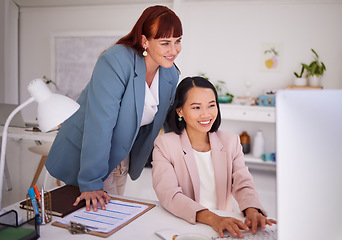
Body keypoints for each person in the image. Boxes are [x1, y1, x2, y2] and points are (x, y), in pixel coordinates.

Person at [45, 5, 182, 212]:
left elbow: (170, 121)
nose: (174, 51)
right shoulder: (115, 61)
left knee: (114, 213)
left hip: (122, 155)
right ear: (145, 41)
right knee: (94, 216)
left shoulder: (169, 74)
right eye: (165, 43)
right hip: (89, 153)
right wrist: (91, 182)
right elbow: (100, 124)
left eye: (177, 41)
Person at [152, 76, 277, 238]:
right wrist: (213, 219)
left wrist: (252, 209)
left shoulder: (231, 141)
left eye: (211, 105)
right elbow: (169, 195)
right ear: (180, 111)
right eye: (196, 107)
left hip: (224, 227)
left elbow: (243, 183)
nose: (206, 114)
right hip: (185, 224)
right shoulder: (165, 144)